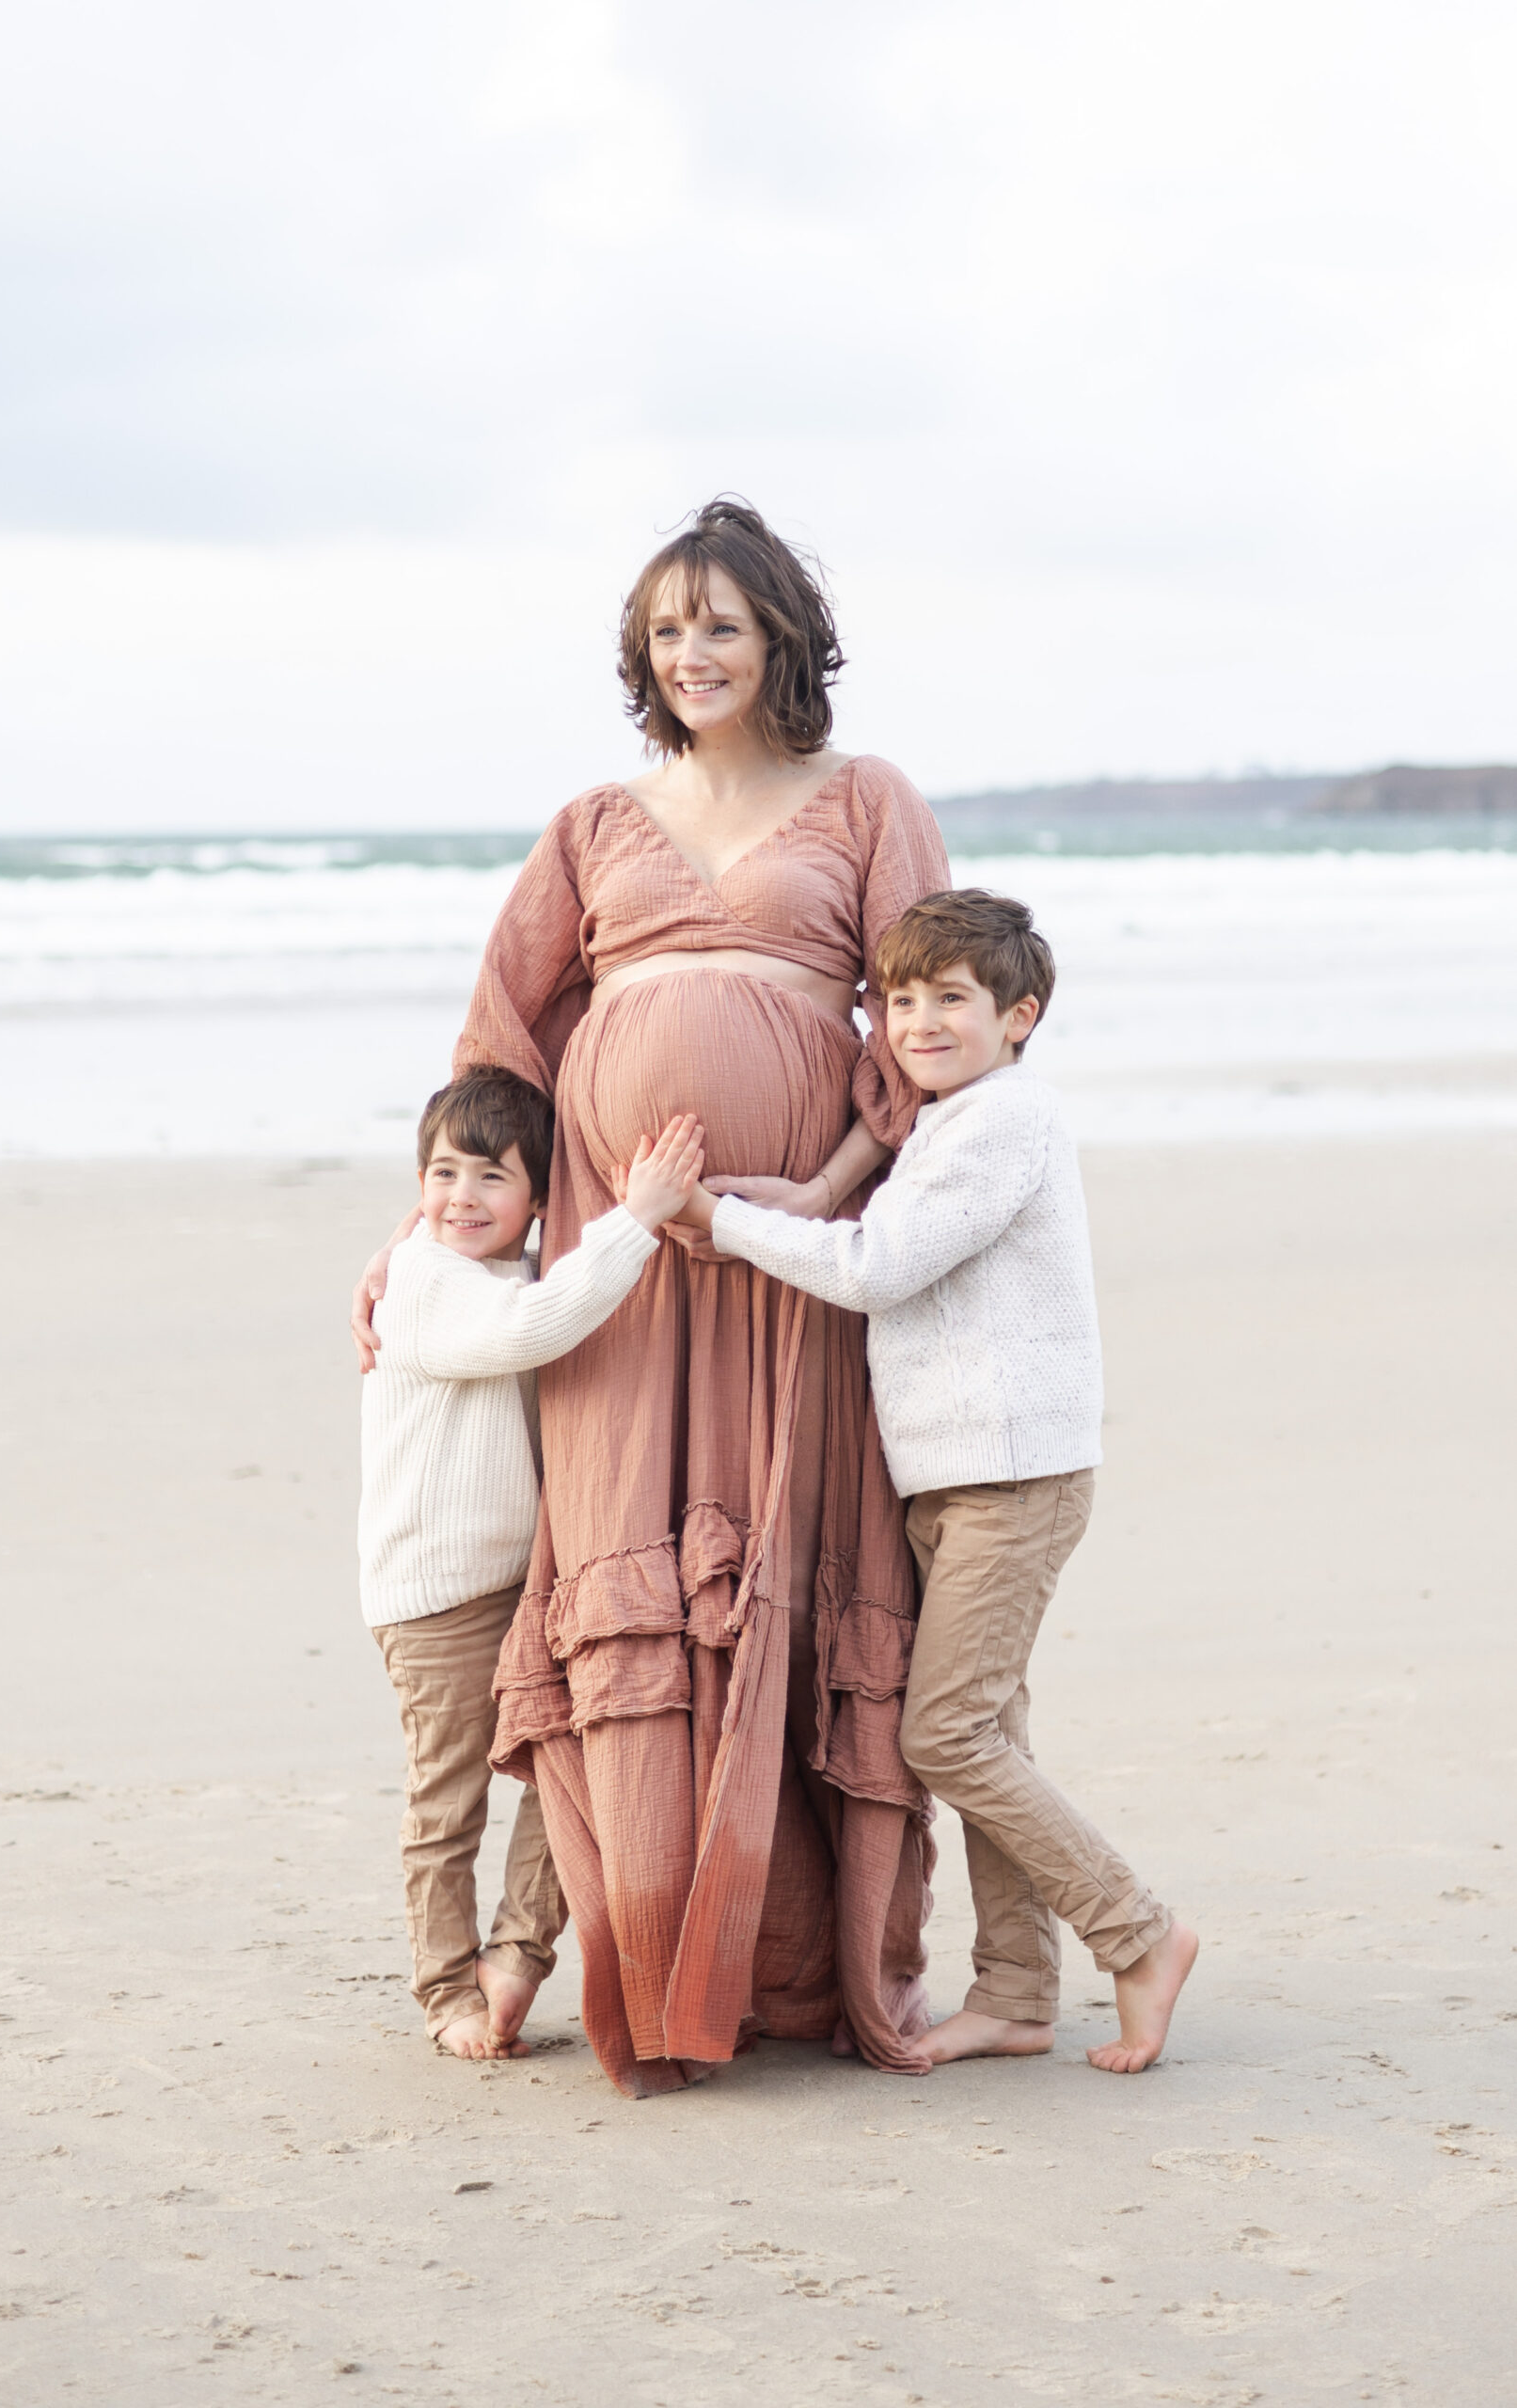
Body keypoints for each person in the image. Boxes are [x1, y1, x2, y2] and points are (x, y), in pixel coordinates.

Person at [353, 499, 951, 2096]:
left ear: (780, 645)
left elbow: (915, 1022)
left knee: (785, 1557)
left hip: (785, 1271)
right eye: (669, 628)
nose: (693, 653)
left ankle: (783, 1962)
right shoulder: (593, 821)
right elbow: (499, 1039)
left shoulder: (866, 798)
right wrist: (436, 1236)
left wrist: (817, 1198)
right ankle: (623, 1938)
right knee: (615, 1555)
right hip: (614, 1274)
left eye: (722, 626)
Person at [676, 888, 1199, 2073]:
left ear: (1020, 1016)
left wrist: (722, 1220)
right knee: (990, 1726)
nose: (919, 1020)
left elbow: (883, 1267)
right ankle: (1017, 1994)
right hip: (953, 1475)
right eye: (899, 999)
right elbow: (872, 1237)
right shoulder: (945, 1120)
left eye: (950, 999)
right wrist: (803, 1196)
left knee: (947, 1734)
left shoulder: (1006, 1117)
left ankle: (1142, 1932)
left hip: (1015, 1472)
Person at [358, 1062, 704, 2061]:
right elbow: (534, 1328)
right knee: (449, 1797)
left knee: (572, 1762)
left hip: (519, 1583)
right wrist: (637, 1217)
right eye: (442, 1174)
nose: (462, 1197)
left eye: (491, 1177)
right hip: (433, 1594)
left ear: (540, 1198)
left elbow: (541, 1289)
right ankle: (444, 1989)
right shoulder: (424, 1282)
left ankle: (516, 1955)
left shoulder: (505, 1263)